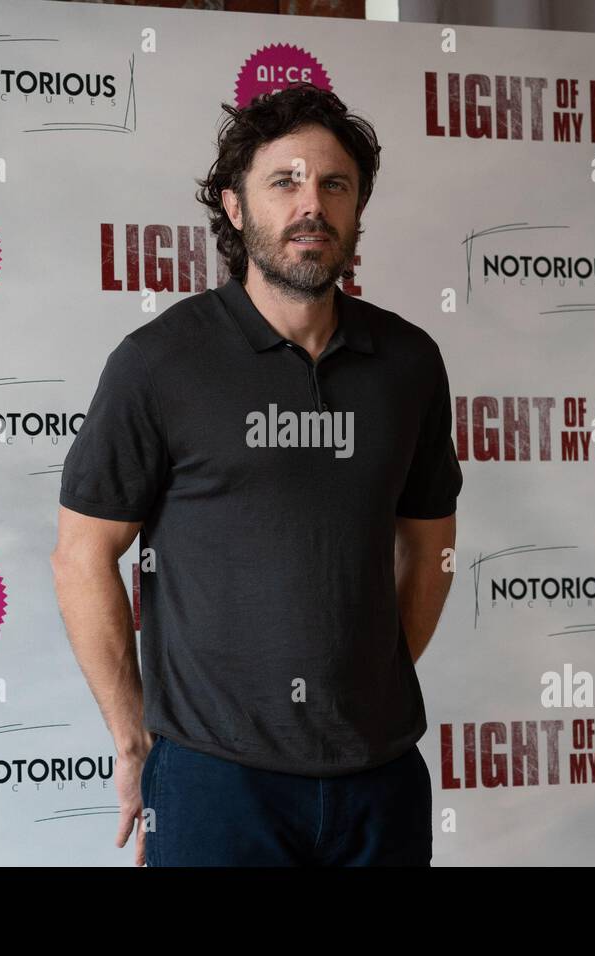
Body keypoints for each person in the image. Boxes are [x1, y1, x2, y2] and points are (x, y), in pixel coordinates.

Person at [51, 82, 463, 866]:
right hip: (214, 782)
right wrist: (132, 736)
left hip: (381, 782)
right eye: (285, 182)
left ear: (356, 210)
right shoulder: (159, 363)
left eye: (334, 184)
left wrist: (367, 680)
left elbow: (431, 544)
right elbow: (81, 555)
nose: (312, 203)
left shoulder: (409, 362)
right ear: (236, 211)